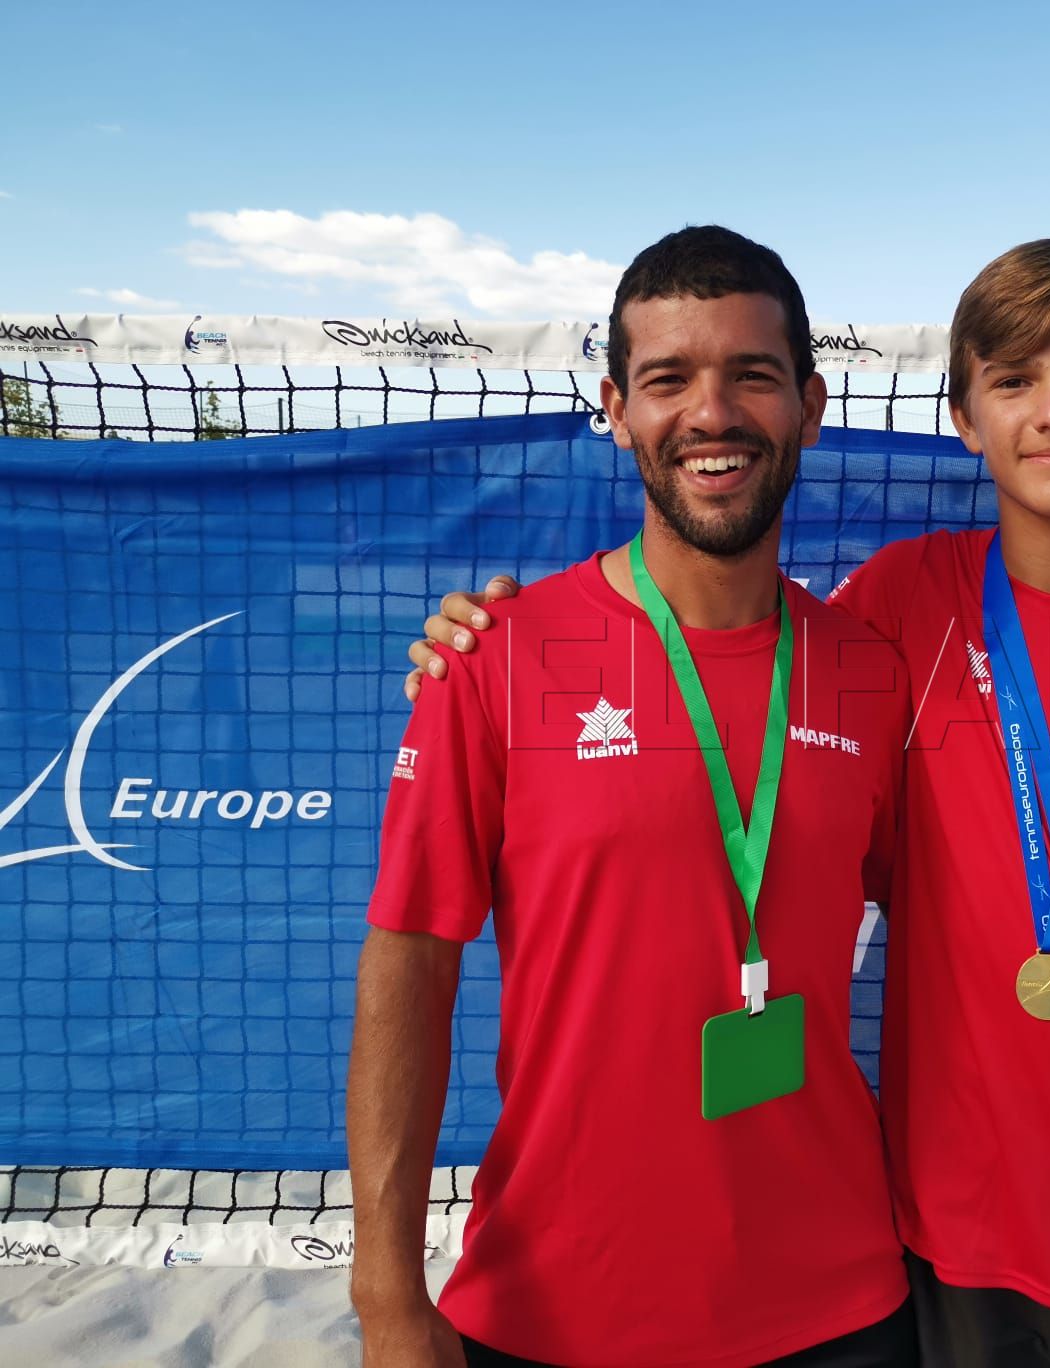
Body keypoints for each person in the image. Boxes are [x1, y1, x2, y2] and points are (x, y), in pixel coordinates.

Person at [407, 237, 1050, 1367]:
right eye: (1015, 381)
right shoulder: (897, 607)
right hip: (955, 1202)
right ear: (965, 416)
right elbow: (728, 681)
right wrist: (486, 638)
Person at [349, 226, 920, 1368]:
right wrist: (386, 1297)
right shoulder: (495, 658)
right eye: (668, 379)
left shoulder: (869, 669)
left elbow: (963, 931)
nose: (712, 413)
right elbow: (410, 960)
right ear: (616, 406)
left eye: (752, 375)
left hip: (843, 1305)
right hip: (556, 1305)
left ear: (808, 402)